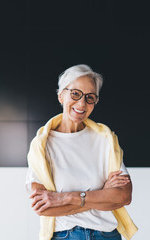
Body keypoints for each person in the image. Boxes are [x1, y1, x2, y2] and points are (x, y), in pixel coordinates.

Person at [25, 64, 137, 240]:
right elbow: (44, 208)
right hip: (66, 236)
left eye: (90, 97)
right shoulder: (42, 145)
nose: (82, 103)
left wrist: (64, 198)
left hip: (107, 235)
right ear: (61, 95)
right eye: (75, 94)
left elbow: (123, 195)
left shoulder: (105, 139)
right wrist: (102, 195)